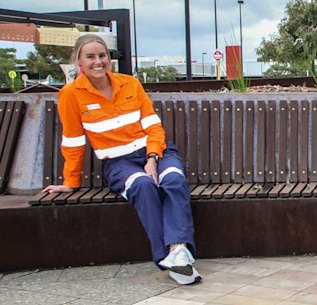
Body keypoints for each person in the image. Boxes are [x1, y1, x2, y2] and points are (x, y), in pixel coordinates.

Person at [42, 34, 201, 285]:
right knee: (144, 186)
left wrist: (152, 158)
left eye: (102, 55)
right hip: (119, 163)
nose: (98, 62)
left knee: (172, 180)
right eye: (91, 57)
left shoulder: (130, 84)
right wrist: (70, 181)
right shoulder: (71, 94)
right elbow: (73, 140)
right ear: (79, 61)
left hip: (155, 152)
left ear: (109, 58)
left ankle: (179, 250)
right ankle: (168, 257)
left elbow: (154, 128)